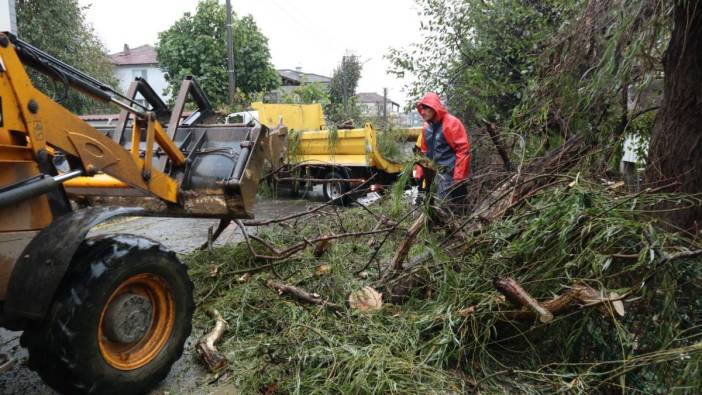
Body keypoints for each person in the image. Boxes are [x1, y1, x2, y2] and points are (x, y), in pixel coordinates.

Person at [414, 92, 471, 204]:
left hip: (450, 174)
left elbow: (463, 150)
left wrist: (458, 177)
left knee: (444, 206)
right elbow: (424, 152)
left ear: (434, 108)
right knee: (429, 204)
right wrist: (420, 172)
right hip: (434, 173)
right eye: (422, 108)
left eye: (426, 108)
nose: (423, 112)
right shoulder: (426, 128)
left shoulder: (451, 123)